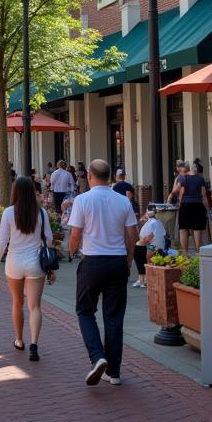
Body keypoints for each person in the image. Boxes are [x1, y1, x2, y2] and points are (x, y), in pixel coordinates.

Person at [68, 159, 137, 386]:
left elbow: (76, 234)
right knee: (114, 316)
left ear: (89, 175)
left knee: (85, 311)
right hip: (117, 261)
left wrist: (72, 251)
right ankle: (114, 372)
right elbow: (132, 235)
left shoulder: (82, 200)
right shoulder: (122, 201)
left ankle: (97, 356)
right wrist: (128, 261)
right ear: (109, 177)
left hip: (92, 261)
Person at [0, 176, 56, 361]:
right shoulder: (41, 213)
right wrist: (52, 269)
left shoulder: (9, 213)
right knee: (35, 306)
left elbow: (2, 241)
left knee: (17, 303)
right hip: (36, 263)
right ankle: (34, 345)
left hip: (14, 262)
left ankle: (19, 340)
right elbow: (49, 240)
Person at [176, 160, 212, 253]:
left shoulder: (184, 178)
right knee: (197, 229)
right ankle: (198, 251)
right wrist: (208, 208)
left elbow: (180, 192)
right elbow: (204, 195)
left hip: (185, 205)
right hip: (197, 205)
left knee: (183, 229)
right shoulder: (200, 179)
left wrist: (179, 201)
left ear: (190, 170)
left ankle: (185, 252)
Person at [132, 210, 167, 288]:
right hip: (152, 246)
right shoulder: (151, 223)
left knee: (139, 247)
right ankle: (142, 277)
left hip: (155, 248)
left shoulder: (152, 224)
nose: (142, 219)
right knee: (139, 247)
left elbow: (146, 240)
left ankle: (143, 277)